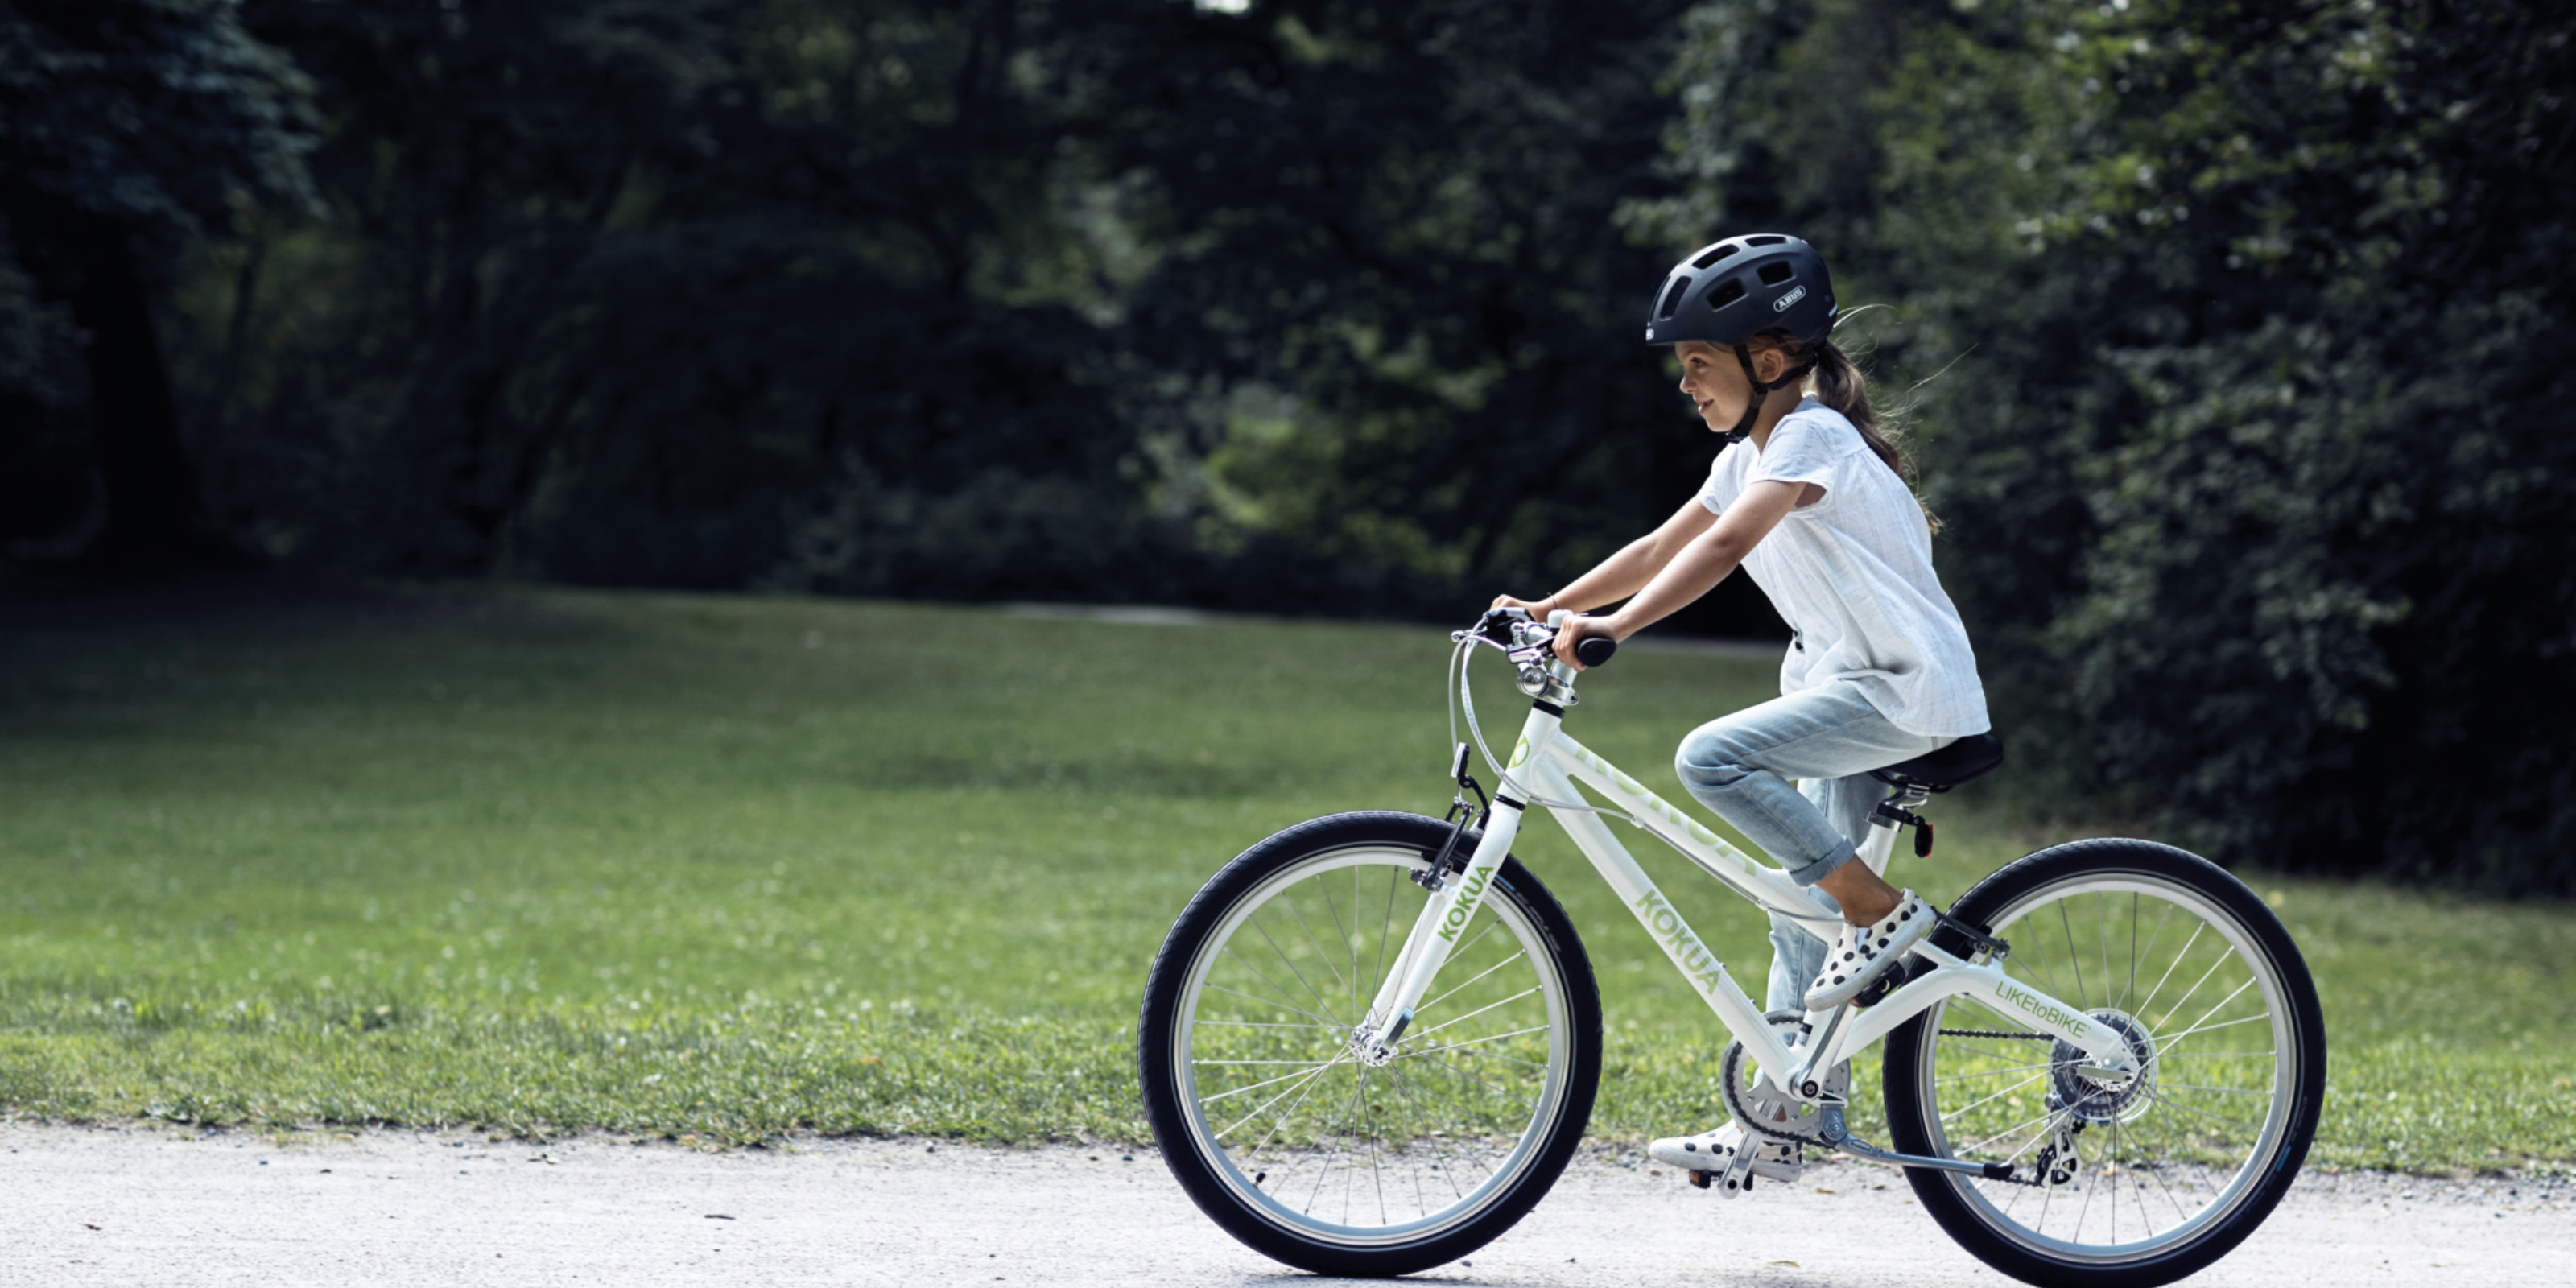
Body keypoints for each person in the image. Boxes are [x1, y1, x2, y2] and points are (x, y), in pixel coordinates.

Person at [1492, 233, 1989, 1183]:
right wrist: (1553, 606)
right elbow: (1660, 541)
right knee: (1794, 908)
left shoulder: (1810, 438)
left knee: (1711, 760)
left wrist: (1616, 631)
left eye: (1697, 363)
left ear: (1768, 360)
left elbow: (1720, 554)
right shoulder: (1748, 454)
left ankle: (1881, 913)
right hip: (1840, 687)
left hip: (1899, 691)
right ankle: (1785, 1115)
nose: (1683, 384)